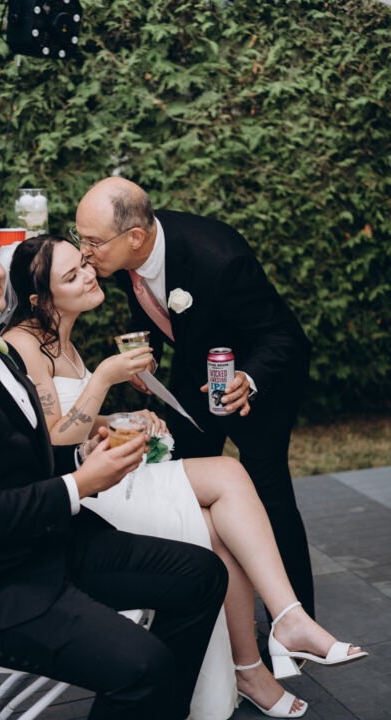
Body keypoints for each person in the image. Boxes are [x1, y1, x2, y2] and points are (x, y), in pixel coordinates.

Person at [3, 234, 367, 720]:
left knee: (220, 530)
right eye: (72, 276)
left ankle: (258, 659)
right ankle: (285, 624)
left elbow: (78, 423)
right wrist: (104, 379)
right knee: (228, 474)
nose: (89, 275)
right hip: (84, 499)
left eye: (83, 264)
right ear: (38, 299)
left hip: (107, 476)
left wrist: (121, 418)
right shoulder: (24, 343)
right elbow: (53, 438)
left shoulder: (61, 337)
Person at [0, 205, 229, 720]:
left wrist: (89, 447)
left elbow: (24, 452)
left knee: (204, 574)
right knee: (144, 667)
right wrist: (79, 484)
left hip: (51, 542)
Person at [74, 177, 315, 623]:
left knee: (269, 495)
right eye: (80, 238)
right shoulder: (122, 256)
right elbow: (147, 303)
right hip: (192, 377)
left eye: (92, 242)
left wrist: (248, 378)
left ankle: (296, 622)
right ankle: (205, 597)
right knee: (182, 479)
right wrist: (148, 356)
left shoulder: (219, 260)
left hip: (256, 383)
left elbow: (283, 335)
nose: (84, 253)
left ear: (135, 237)